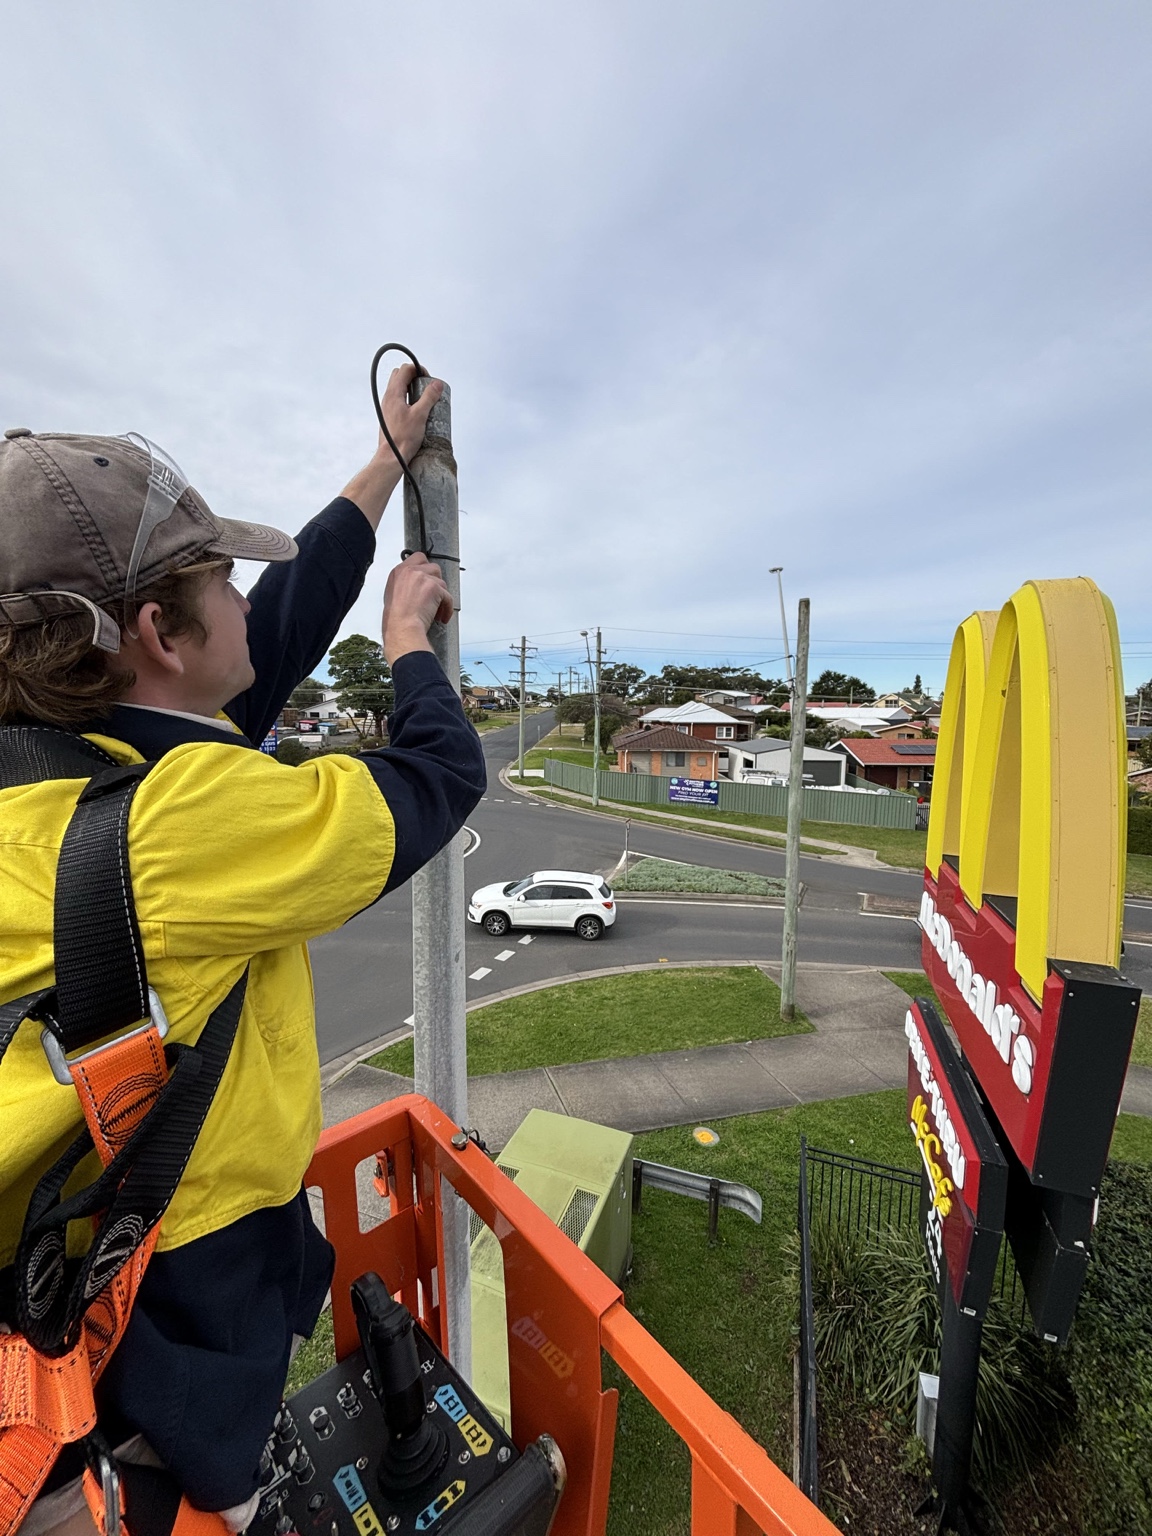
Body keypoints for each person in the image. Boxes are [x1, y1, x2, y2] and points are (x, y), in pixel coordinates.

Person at [0, 364, 486, 1534]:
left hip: (58, 1250)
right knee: (222, 1492)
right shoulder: (189, 819)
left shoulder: (69, 759)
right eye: (221, 574)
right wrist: (410, 647)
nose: (247, 597)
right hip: (170, 1274)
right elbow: (437, 780)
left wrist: (385, 460)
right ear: (159, 631)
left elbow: (279, 618)